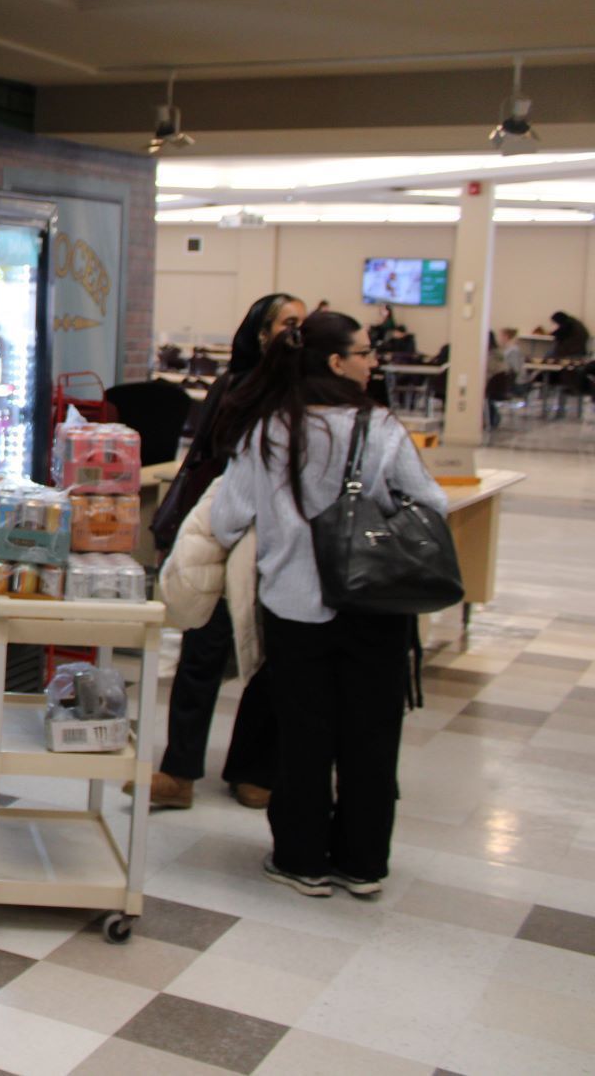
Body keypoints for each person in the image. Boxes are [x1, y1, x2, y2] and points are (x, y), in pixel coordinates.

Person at [210, 311, 445, 899]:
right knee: (371, 735)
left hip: (295, 604)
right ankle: (363, 862)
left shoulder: (268, 430)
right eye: (364, 353)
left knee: (304, 734)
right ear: (336, 362)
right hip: (376, 602)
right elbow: (431, 502)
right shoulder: (381, 427)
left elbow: (227, 517)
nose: (373, 362)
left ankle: (301, 857)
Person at [146, 292, 304, 811]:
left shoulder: (309, 393)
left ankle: (252, 769)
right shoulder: (238, 387)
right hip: (225, 532)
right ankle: (179, 771)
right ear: (262, 333)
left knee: (273, 660)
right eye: (288, 323)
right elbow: (208, 459)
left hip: (284, 545)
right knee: (203, 651)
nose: (296, 332)